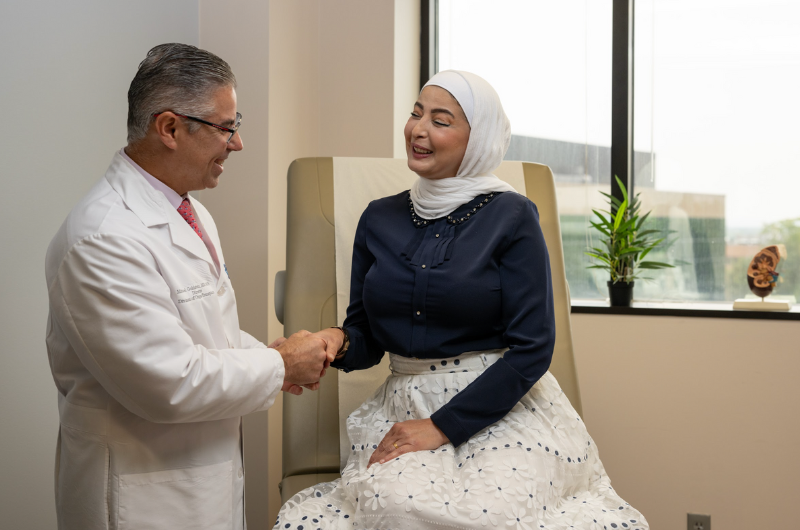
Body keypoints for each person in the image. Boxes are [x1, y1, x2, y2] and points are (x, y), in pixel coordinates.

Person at [277, 71, 649, 530]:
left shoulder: (512, 215)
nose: (418, 129)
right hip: (405, 406)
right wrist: (334, 340)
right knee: (398, 508)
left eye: (441, 120)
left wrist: (440, 426)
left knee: (491, 516)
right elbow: (368, 337)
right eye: (416, 113)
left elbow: (533, 347)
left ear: (478, 139)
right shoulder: (379, 217)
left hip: (503, 407)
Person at [45, 43, 333, 530]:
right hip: (141, 496)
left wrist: (272, 358)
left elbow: (206, 334)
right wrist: (279, 363)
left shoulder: (190, 210)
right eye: (228, 127)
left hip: (204, 482)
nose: (237, 144)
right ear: (170, 128)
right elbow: (169, 383)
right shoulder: (102, 238)